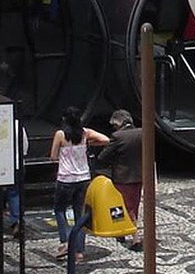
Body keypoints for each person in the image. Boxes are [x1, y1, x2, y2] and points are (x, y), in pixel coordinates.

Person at [50, 107, 109, 261]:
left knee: (59, 209)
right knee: (79, 214)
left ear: (64, 119)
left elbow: (53, 156)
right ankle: (79, 251)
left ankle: (64, 242)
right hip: (83, 178)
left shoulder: (60, 135)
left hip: (66, 178)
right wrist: (89, 144)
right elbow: (105, 139)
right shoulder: (85, 133)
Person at [97, 109, 143, 252]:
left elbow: (103, 157)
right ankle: (124, 230)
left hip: (122, 177)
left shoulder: (118, 136)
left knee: (121, 206)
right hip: (139, 175)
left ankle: (134, 237)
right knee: (133, 205)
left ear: (118, 124)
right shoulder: (141, 132)